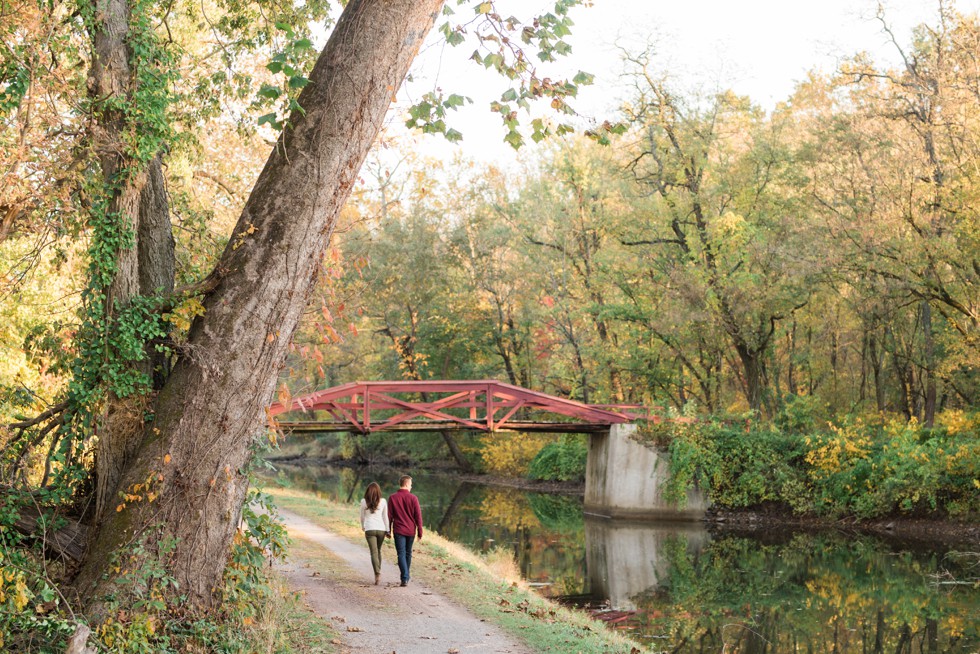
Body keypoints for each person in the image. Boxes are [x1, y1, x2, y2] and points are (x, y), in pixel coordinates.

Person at [387, 474, 423, 587]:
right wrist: (420, 531)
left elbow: (389, 516)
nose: (411, 487)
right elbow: (418, 516)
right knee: (408, 553)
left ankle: (405, 577)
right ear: (406, 484)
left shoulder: (393, 497)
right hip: (410, 531)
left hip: (399, 530)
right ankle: (405, 577)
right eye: (411, 484)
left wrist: (387, 530)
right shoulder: (413, 498)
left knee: (401, 554)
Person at [360, 482, 390, 585]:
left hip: (370, 529)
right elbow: (385, 517)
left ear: (368, 491)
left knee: (373, 552)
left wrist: (363, 526)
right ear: (378, 491)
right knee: (378, 551)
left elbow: (362, 516)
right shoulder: (383, 501)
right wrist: (388, 530)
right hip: (381, 529)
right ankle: (378, 572)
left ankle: (377, 573)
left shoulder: (364, 501)